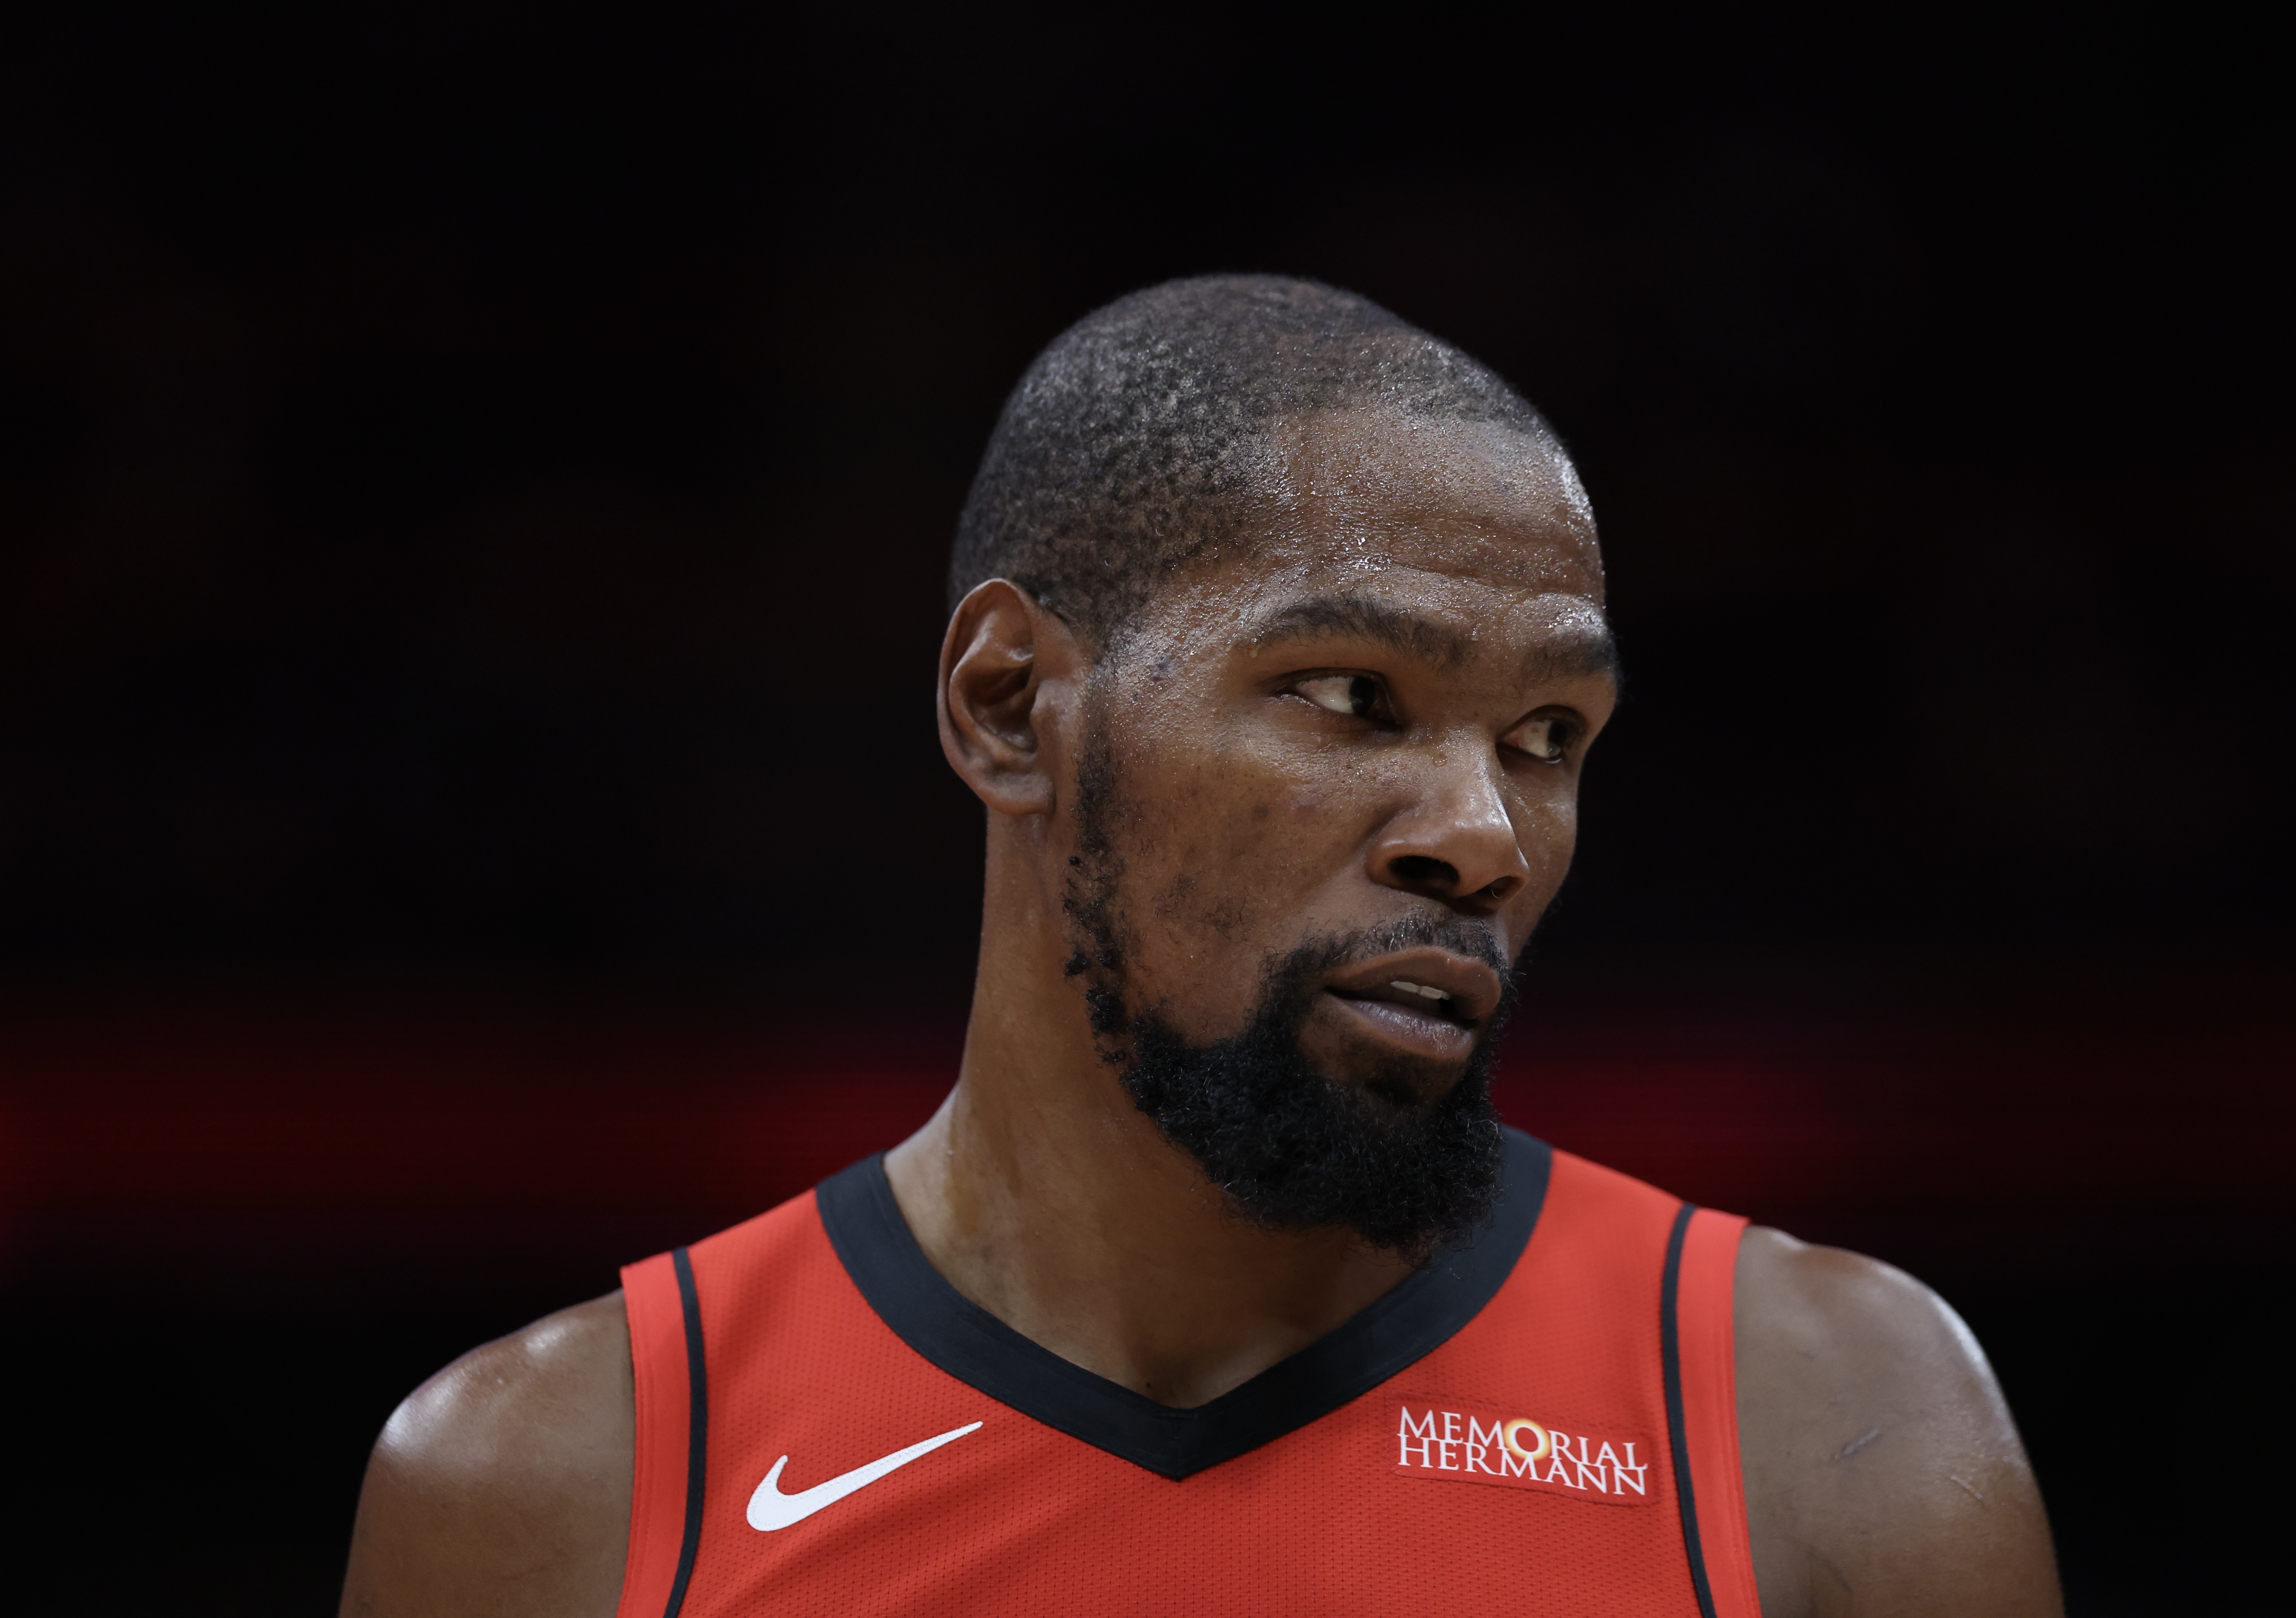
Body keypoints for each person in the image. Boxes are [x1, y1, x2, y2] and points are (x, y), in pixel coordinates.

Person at [338, 276, 2062, 1618]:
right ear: (1008, 706)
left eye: (1547, 735)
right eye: (1352, 695)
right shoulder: (559, 1485)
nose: (1481, 833)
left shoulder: (1828, 1428)